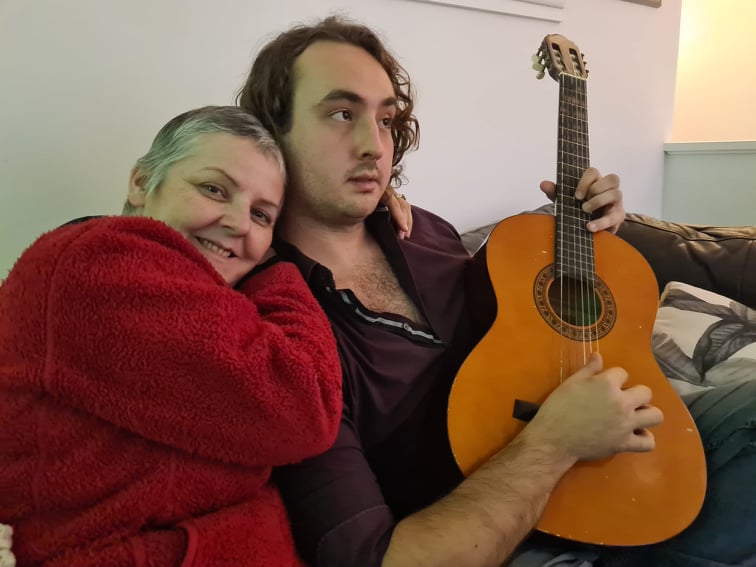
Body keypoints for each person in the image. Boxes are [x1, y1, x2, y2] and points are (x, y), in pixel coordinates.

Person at [236, 16, 756, 567]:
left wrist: (593, 233)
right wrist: (554, 443)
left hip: (606, 440)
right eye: (342, 114)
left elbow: (523, 322)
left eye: (386, 119)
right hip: (496, 530)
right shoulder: (281, 336)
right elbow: (378, 557)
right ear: (272, 133)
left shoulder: (425, 232)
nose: (374, 146)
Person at [0, 105, 344, 566]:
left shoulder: (199, 297)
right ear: (142, 183)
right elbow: (306, 406)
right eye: (214, 189)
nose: (239, 223)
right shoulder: (100, 262)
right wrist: (277, 267)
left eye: (262, 215)